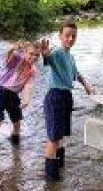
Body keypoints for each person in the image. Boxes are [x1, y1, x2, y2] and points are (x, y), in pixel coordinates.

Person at [41, 20, 95, 182]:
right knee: (54, 138)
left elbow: (76, 74)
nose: (70, 39)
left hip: (66, 97)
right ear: (60, 36)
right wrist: (44, 54)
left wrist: (87, 86)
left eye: (73, 36)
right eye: (67, 36)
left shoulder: (70, 56)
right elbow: (48, 58)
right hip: (55, 97)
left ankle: (59, 166)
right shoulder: (56, 53)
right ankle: (51, 178)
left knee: (62, 135)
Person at [0, 40, 41, 150]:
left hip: (13, 95)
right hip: (0, 91)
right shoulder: (18, 59)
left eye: (37, 55)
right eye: (31, 53)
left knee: (17, 123)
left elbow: (28, 86)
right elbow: (9, 54)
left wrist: (27, 99)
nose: (34, 57)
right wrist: (15, 47)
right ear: (25, 52)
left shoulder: (33, 70)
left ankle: (16, 150)